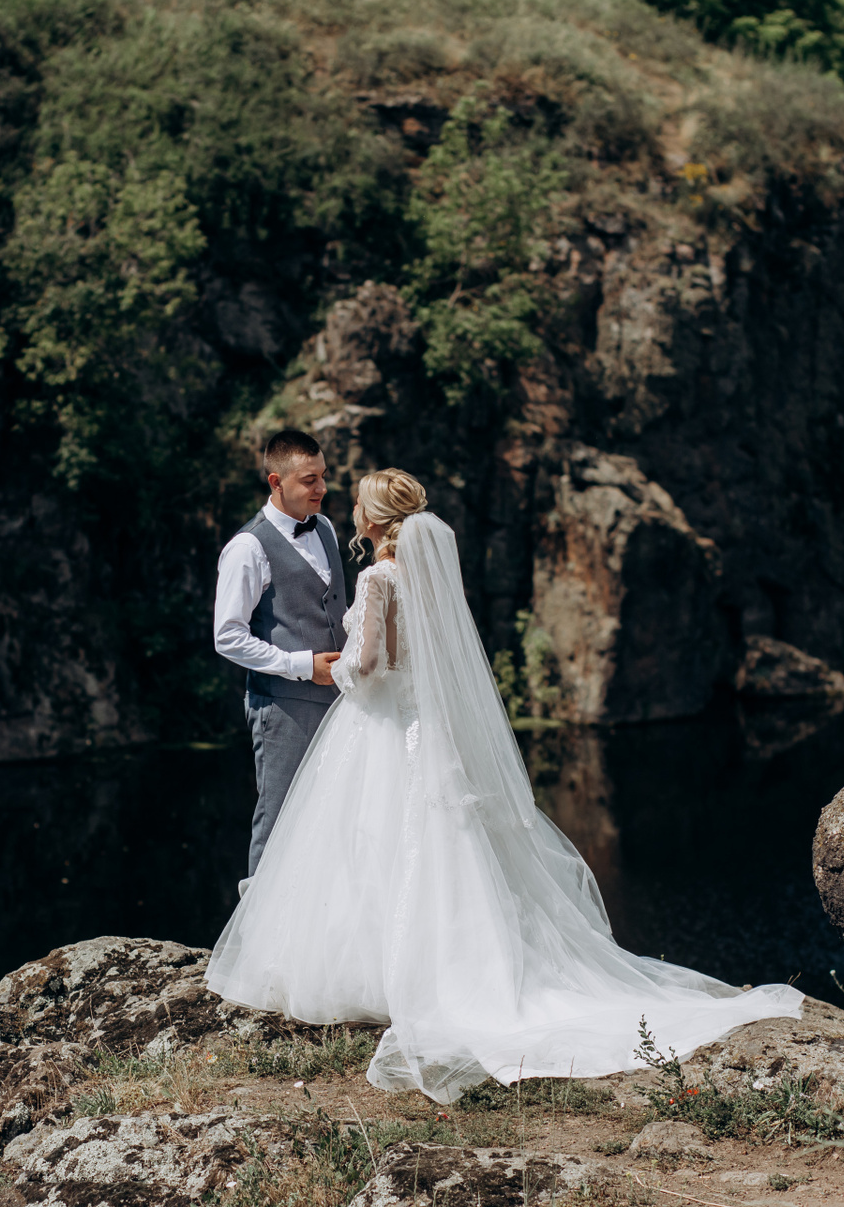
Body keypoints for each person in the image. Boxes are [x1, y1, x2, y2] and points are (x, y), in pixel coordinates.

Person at [206, 468, 803, 1103]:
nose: (346, 506)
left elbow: (372, 663)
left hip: (380, 721)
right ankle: (452, 965)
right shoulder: (424, 570)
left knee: (370, 841)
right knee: (437, 843)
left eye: (356, 501)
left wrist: (338, 673)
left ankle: (375, 976)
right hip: (424, 725)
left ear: (374, 519)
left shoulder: (379, 576)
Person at [213, 430, 348, 882]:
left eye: (323, 476)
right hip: (283, 707)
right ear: (276, 482)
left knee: (333, 821)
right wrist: (301, 666)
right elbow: (227, 636)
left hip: (342, 705)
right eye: (309, 480)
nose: (322, 488)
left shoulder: (325, 527)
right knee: (278, 823)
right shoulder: (247, 548)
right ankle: (256, 926)